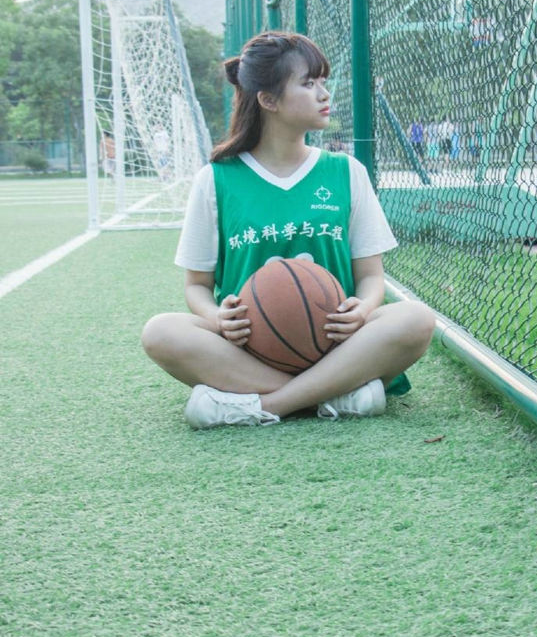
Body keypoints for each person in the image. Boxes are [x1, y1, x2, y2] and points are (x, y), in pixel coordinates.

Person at [141, 31, 436, 429]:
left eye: (323, 82)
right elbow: (197, 285)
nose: (324, 94)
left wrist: (364, 309)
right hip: (249, 352)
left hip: (339, 345)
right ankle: (337, 394)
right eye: (309, 83)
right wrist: (217, 318)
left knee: (416, 318)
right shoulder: (216, 179)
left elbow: (371, 277)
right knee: (161, 332)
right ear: (269, 100)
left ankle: (263, 405)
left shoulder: (346, 172)